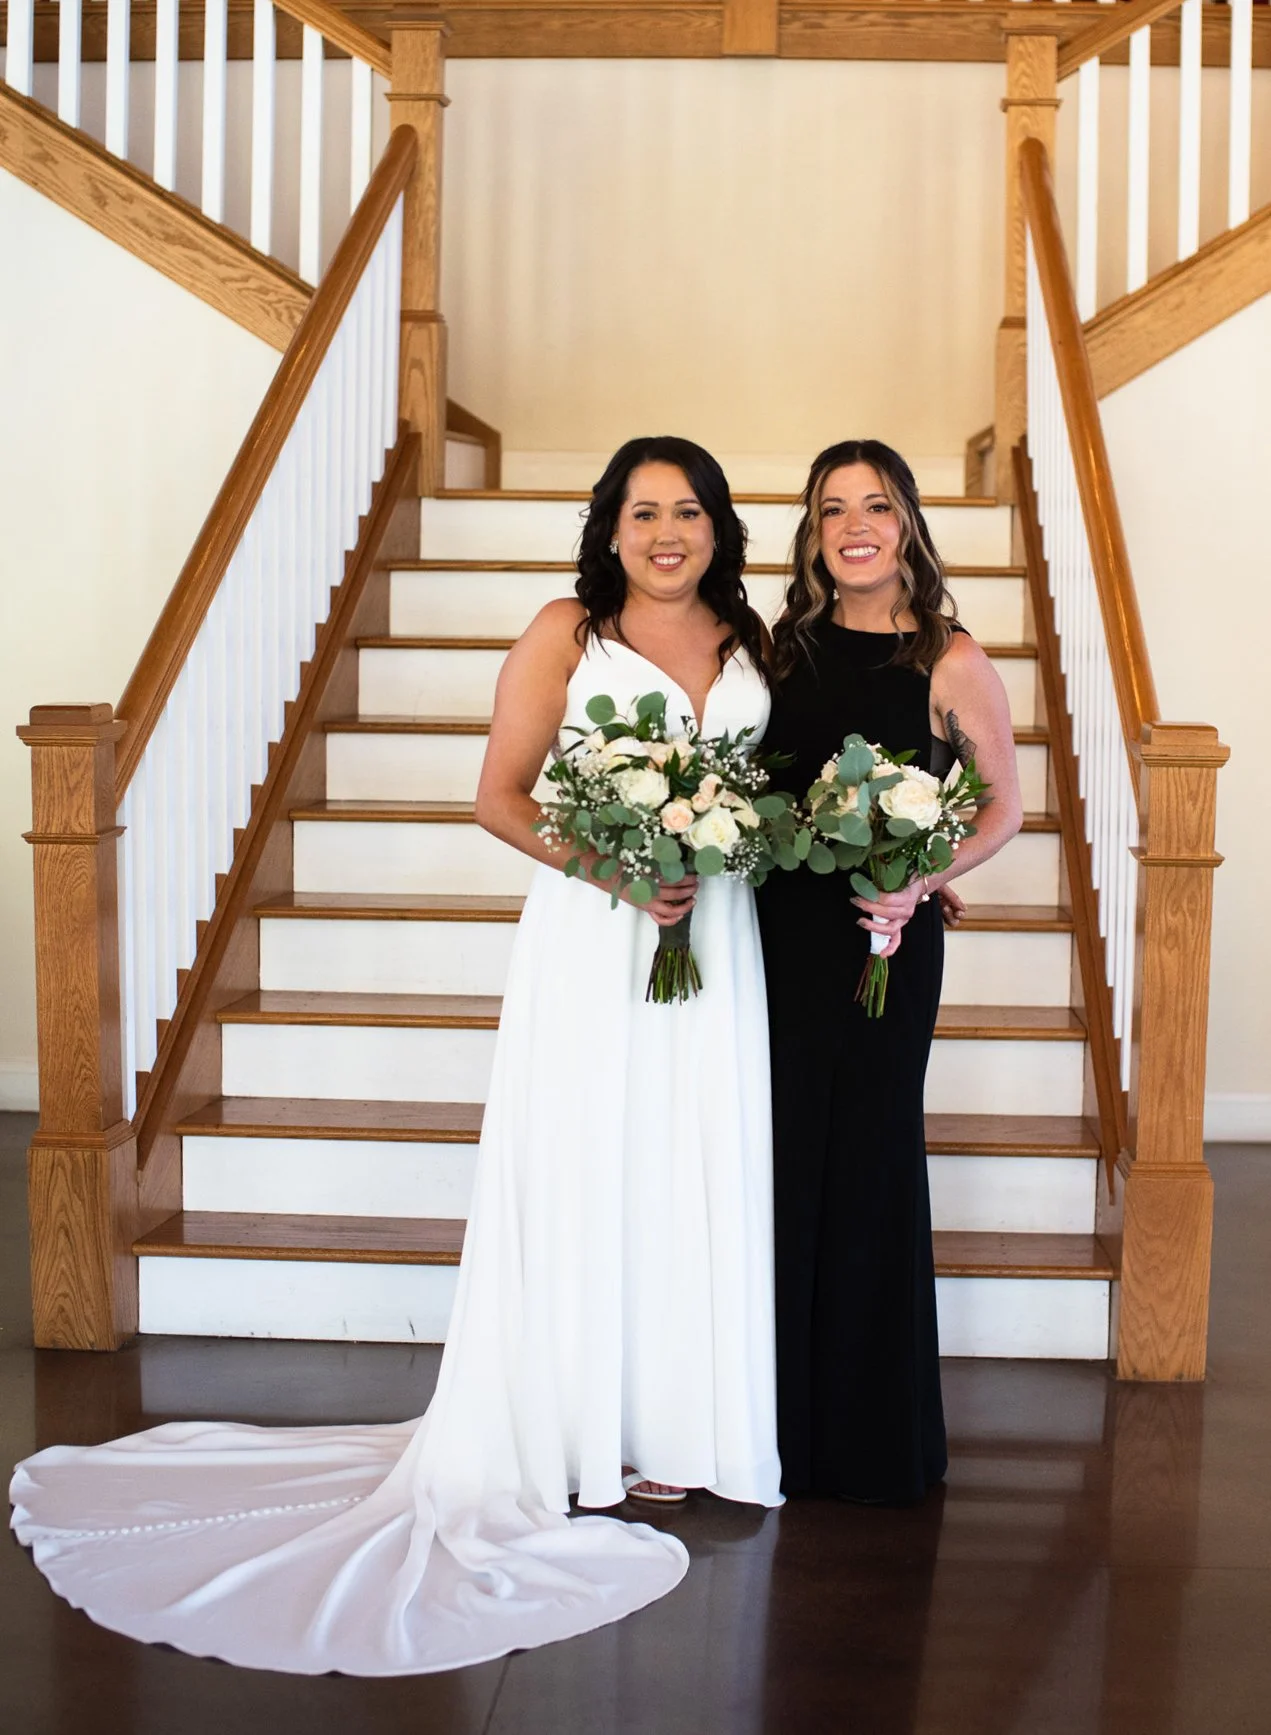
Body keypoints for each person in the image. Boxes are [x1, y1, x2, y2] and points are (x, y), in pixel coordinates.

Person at [9, 436, 782, 1676]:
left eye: (686, 510)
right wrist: (620, 869)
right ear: (610, 527)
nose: (665, 532)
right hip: (595, 940)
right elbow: (500, 794)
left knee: (689, 1166)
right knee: (587, 1168)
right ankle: (569, 1432)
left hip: (717, 943)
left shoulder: (754, 644)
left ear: (717, 524)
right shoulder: (562, 633)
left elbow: (773, 793)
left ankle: (674, 1430)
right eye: (641, 512)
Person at [755, 439, 1022, 1505]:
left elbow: (1003, 804)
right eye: (831, 509)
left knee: (866, 1165)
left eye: (873, 504)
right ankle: (770, 1428)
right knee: (779, 1164)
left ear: (906, 519)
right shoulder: (781, 650)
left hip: (882, 938)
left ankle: (869, 1438)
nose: (853, 525)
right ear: (813, 533)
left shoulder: (948, 659)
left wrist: (921, 878)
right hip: (773, 935)